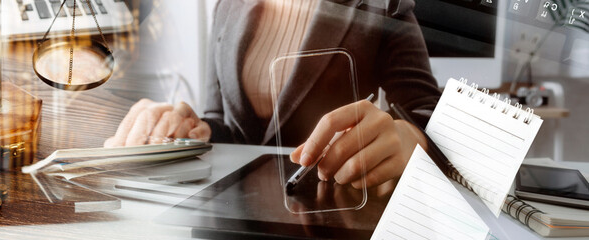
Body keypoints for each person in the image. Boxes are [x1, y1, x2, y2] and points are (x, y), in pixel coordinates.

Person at [105, 0, 442, 188]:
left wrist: (411, 136)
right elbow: (222, 122)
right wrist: (198, 130)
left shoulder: (383, 8)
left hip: (328, 215)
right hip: (231, 216)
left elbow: (429, 112)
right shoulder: (227, 8)